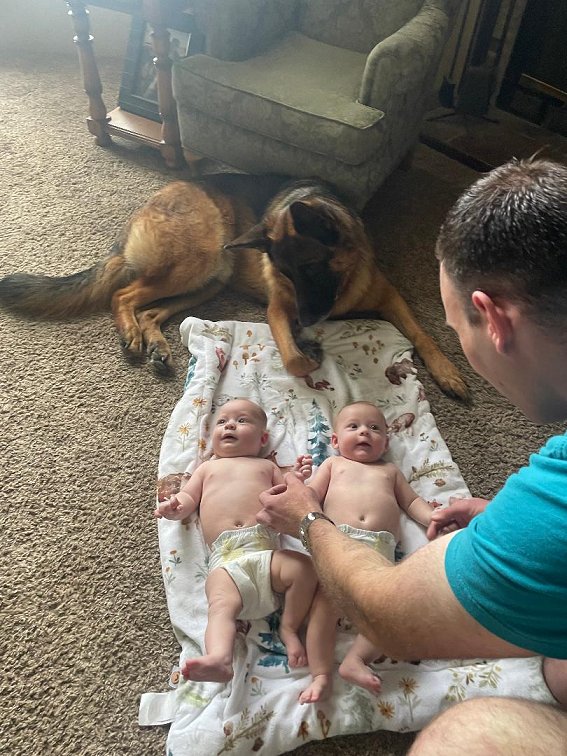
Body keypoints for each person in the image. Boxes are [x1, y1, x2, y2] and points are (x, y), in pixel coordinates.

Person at [257, 158, 567, 750]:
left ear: (493, 320)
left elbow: (390, 619)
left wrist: (307, 518)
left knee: (466, 734)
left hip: (360, 566)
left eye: (455, 330)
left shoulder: (555, 505)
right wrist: (503, 520)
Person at [154, 398, 317, 683]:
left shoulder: (266, 466)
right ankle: (220, 658)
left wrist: (298, 478)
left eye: (242, 421)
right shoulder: (207, 469)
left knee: (305, 569)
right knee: (219, 606)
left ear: (263, 439)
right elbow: (189, 497)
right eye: (222, 422)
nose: (229, 425)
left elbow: (286, 496)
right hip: (226, 559)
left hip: (265, 551)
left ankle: (289, 627)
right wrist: (175, 507)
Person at [297, 401, 436, 703]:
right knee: (323, 610)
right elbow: (310, 497)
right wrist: (297, 481)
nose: (364, 432)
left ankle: (355, 659)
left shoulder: (390, 471)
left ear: (385, 443)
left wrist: (432, 517)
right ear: (335, 441)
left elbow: (412, 502)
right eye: (354, 426)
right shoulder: (333, 465)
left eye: (374, 428)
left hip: (378, 552)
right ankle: (320, 674)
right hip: (338, 544)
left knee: (387, 612)